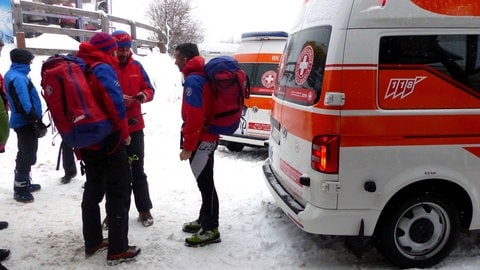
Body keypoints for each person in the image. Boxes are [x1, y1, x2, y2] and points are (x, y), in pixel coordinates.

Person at [75, 32, 140, 265]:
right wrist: (124, 135)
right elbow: (115, 106)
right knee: (119, 190)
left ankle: (92, 241)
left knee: (92, 189)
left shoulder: (80, 65)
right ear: (107, 50)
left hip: (88, 140)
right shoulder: (102, 68)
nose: (116, 54)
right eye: (114, 50)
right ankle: (118, 249)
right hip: (108, 140)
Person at [174, 43, 221, 247]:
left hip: (203, 139)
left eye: (177, 57)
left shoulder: (194, 80)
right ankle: (204, 219)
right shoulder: (198, 76)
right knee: (204, 182)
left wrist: (188, 147)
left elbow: (195, 117)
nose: (175, 61)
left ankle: (211, 229)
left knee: (206, 184)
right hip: (206, 138)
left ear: (185, 59)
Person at [111, 30, 155, 227]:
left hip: (135, 127)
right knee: (114, 173)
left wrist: (143, 95)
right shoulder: (106, 67)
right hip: (113, 128)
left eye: (127, 49)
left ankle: (144, 209)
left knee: (137, 167)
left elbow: (150, 89)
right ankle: (113, 213)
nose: (123, 53)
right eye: (120, 49)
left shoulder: (137, 66)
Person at [3, 48, 42, 203]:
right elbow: (24, 102)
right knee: (27, 154)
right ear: (24, 61)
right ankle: (20, 189)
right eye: (30, 61)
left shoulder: (14, 74)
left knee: (25, 152)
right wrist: (34, 119)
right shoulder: (18, 78)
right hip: (25, 122)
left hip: (22, 121)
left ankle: (24, 182)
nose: (31, 64)